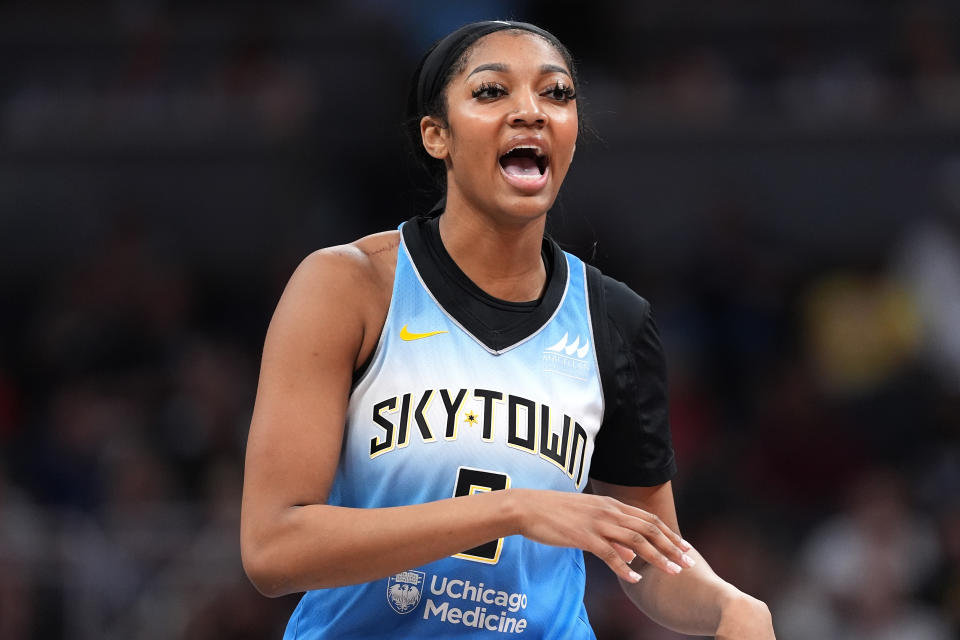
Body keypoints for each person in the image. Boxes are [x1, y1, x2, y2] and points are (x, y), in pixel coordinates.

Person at [240, 20, 775, 639]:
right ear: (435, 135)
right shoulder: (347, 286)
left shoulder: (615, 320)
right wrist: (511, 510)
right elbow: (273, 548)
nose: (531, 111)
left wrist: (731, 605)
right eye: (492, 92)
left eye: (556, 94)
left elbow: (649, 558)